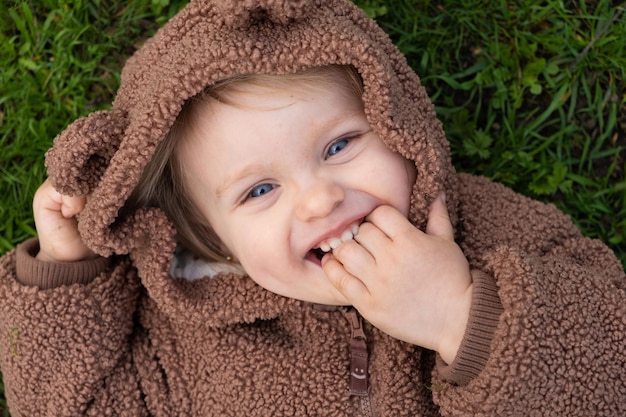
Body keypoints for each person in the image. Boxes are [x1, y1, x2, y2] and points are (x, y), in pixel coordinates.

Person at [0, 0, 624, 416]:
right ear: (210, 239)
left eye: (340, 144)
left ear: (396, 120)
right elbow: (65, 405)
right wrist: (67, 268)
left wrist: (461, 317)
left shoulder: (486, 234)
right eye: (259, 191)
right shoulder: (186, 336)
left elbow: (609, 365)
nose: (321, 196)